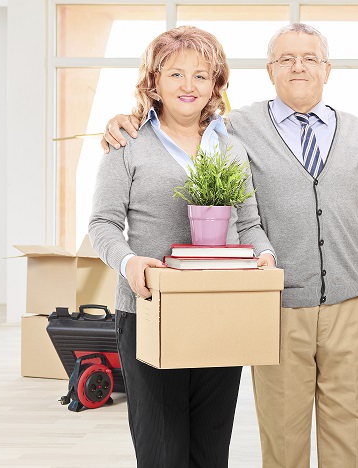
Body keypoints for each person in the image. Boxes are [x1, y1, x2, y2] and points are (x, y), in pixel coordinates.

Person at [102, 23, 358, 468]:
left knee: (239, 443)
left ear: (327, 70)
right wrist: (123, 119)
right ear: (269, 70)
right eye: (286, 59)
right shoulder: (228, 131)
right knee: (220, 444)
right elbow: (105, 220)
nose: (299, 66)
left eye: (310, 58)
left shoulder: (346, 133)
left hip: (308, 305)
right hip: (232, 307)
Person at [89, 26, 275, 468]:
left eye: (200, 75)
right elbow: (103, 224)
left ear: (216, 84)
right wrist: (130, 262)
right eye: (175, 74)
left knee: (212, 448)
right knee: (161, 449)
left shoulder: (231, 149)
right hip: (150, 309)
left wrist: (265, 257)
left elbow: (249, 223)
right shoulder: (126, 143)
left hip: (220, 309)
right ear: (153, 81)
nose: (188, 86)